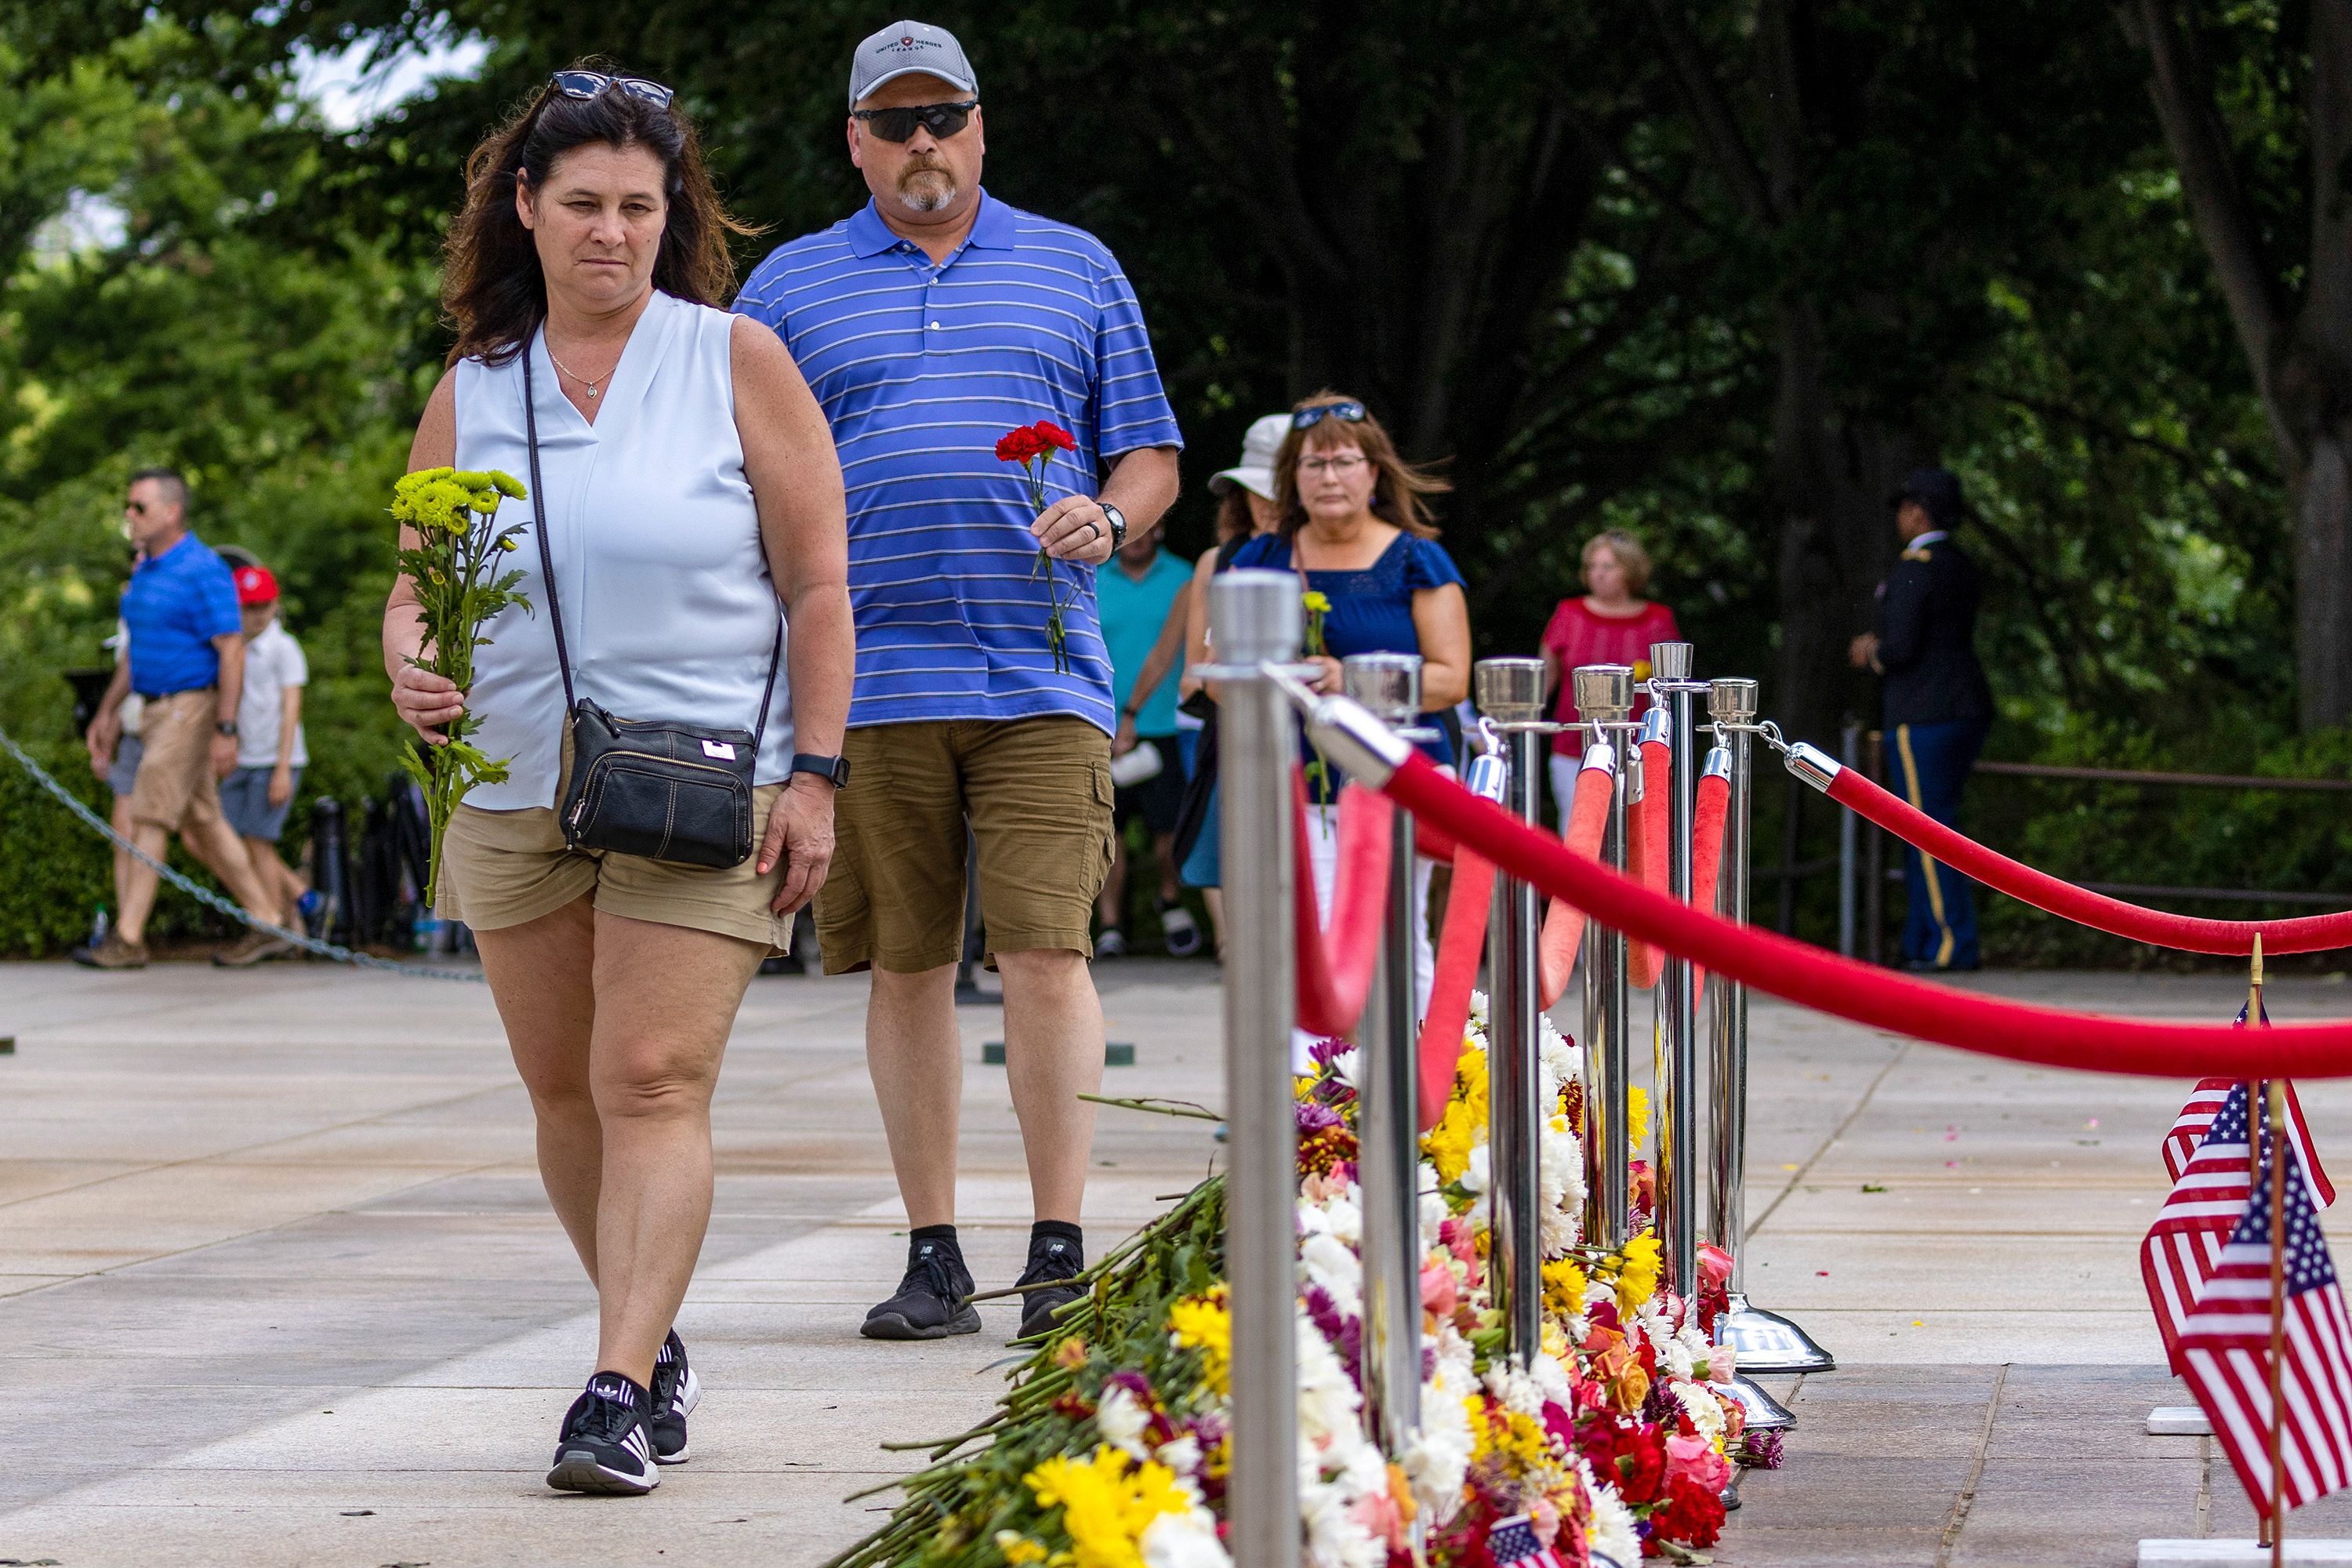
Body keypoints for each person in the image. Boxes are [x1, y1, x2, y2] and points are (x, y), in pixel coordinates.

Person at [383, 68, 854, 1495]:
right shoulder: (471, 387)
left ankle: (608, 1389)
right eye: (581, 203)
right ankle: (652, 1344)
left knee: (649, 1075)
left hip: (705, 782)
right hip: (512, 783)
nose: (610, 231)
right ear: (524, 209)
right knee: (565, 1090)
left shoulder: (732, 356)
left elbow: (823, 586)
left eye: (639, 206)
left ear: (673, 217)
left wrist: (817, 775)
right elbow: (417, 581)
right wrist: (408, 659)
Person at [733, 20, 1182, 1346]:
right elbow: (733, 473)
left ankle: (1057, 1248)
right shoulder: (787, 289)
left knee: (1048, 953)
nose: (922, 142)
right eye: (894, 122)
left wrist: (1108, 517)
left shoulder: (1075, 264)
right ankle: (933, 1253)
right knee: (905, 968)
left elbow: (1150, 453)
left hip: (1043, 671)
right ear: (855, 142)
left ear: (981, 127)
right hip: (864, 684)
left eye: (944, 117)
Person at [1229, 393, 1470, 1002]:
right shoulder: (1260, 557)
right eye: (1313, 464)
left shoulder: (1418, 559)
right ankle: (1312, 1095)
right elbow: (1214, 676)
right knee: (1299, 950)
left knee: (1396, 940)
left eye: (1343, 461)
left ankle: (1419, 1086)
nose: (1328, 477)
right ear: (1291, 477)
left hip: (1395, 779)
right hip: (1289, 784)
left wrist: (1350, 683)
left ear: (1374, 472)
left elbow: (1451, 679)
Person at [78, 470, 288, 970]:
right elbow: (136, 653)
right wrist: (107, 713)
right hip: (150, 707)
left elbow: (232, 650)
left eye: (139, 507)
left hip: (188, 706)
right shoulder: (146, 571)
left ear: (172, 513)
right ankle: (268, 920)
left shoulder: (203, 569)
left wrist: (225, 728)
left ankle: (127, 939)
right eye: (128, 506)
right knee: (205, 820)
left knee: (149, 812)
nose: (129, 515)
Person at [1849, 465, 1994, 973]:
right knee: (1928, 828)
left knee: (1928, 831)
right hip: (1961, 707)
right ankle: (1922, 938)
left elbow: (1904, 646)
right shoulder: (1959, 563)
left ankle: (1951, 942)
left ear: (1918, 512)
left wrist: (1873, 653)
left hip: (1924, 713)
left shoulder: (1916, 566)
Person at [1171, 413, 1288, 950]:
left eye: (1278, 491)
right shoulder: (1219, 562)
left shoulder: (1332, 559)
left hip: (1312, 748)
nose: (1266, 503)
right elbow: (1200, 672)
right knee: (1237, 877)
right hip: (1235, 740)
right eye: (1254, 490)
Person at [1095, 517, 1199, 958]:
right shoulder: (1092, 578)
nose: (1136, 541)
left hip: (1165, 724)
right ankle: (1110, 926)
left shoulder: (1186, 577)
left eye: (1146, 530)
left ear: (1159, 530)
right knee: (1107, 835)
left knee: (1168, 834)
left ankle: (1170, 901)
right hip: (1101, 726)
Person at [1539, 530, 1680, 823]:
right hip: (1572, 747)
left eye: (1607, 567)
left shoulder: (1657, 620)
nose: (1597, 575)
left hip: (1638, 749)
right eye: (1591, 566)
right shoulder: (1569, 613)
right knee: (1577, 828)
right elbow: (1544, 679)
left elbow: (1671, 688)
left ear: (1630, 570)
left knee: (1635, 837)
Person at [223, 564, 318, 934]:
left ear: (275, 604)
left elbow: (291, 708)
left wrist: (282, 769)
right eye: (248, 607)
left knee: (258, 842)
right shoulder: (232, 646)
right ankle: (300, 897)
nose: (256, 615)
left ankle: (274, 920)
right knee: (230, 838)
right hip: (244, 758)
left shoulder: (283, 648)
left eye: (263, 606)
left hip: (276, 760)